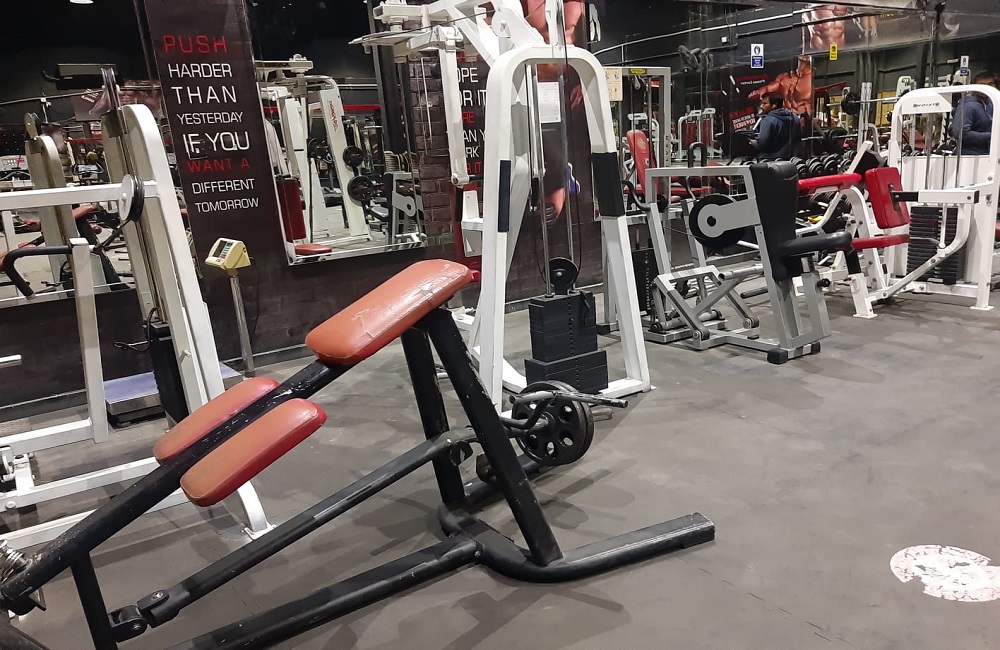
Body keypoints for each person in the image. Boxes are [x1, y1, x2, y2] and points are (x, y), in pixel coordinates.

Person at [748, 57, 814, 115]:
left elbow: (801, 97)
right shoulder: (784, 77)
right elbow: (769, 87)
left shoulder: (809, 78)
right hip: (784, 116)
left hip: (801, 118)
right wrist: (759, 92)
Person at [952, 71, 996, 155]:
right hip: (969, 156)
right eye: (982, 85)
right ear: (974, 86)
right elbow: (961, 133)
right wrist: (992, 136)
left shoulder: (992, 103)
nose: (986, 88)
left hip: (988, 154)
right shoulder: (968, 106)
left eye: (990, 84)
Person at [753, 94, 802, 161]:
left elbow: (761, 144)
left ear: (774, 105)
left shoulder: (768, 120)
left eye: (765, 103)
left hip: (770, 161)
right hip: (791, 160)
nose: (761, 106)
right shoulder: (795, 117)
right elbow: (799, 137)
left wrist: (752, 142)